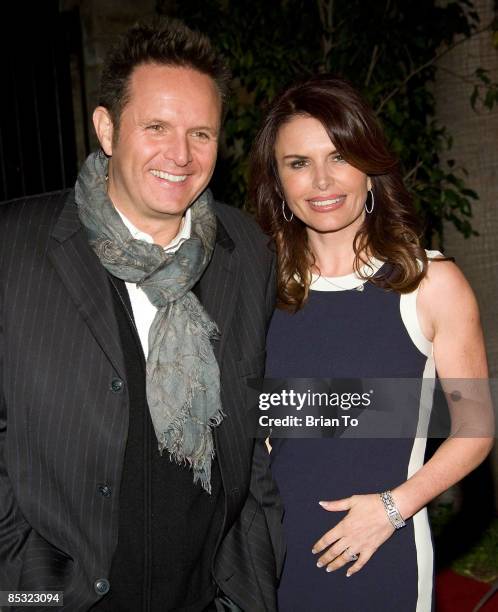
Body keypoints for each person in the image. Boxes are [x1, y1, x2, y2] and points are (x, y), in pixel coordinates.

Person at [0, 17, 284, 612]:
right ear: (107, 129)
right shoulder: (13, 250)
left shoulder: (248, 250)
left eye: (201, 133)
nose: (180, 155)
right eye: (156, 126)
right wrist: (27, 588)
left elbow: (255, 429)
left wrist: (252, 579)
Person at [250, 74, 494, 611]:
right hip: (272, 558)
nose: (320, 180)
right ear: (279, 182)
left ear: (369, 167)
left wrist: (391, 509)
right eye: (298, 163)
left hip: (384, 554)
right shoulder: (259, 288)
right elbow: (265, 431)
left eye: (338, 156)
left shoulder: (429, 284)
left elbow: (476, 430)